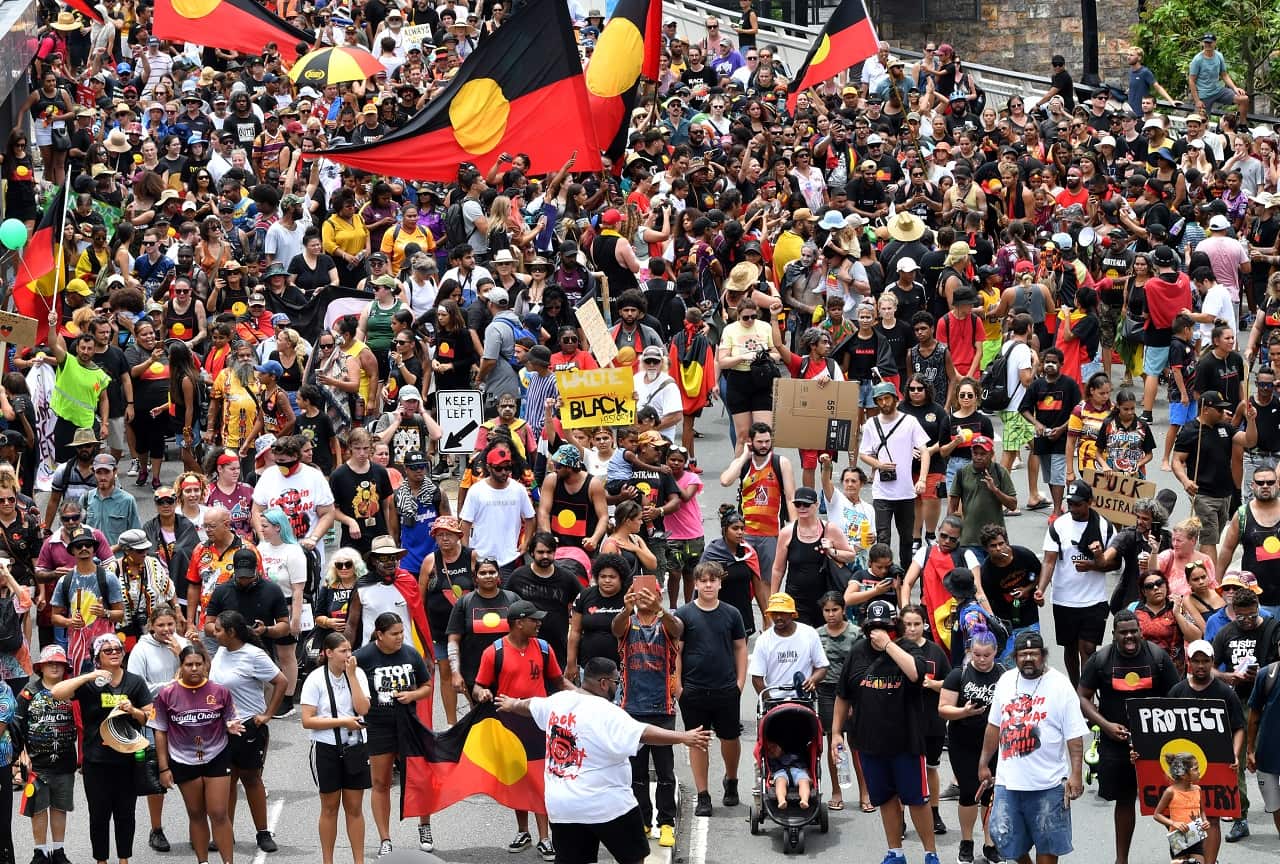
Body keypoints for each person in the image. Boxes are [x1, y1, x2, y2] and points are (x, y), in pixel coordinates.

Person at [495, 656, 710, 864]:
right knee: (634, 858)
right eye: (617, 681)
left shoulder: (558, 701)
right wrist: (683, 737)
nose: (618, 686)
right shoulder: (607, 713)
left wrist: (513, 704)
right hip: (607, 805)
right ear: (604, 683)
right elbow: (643, 733)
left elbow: (531, 706)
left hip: (563, 807)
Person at [831, 599, 941, 864]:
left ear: (896, 627)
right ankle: (896, 852)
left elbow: (916, 674)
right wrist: (836, 733)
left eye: (885, 627)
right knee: (886, 799)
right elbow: (843, 695)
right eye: (873, 627)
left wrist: (889, 645)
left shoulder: (908, 649)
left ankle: (930, 854)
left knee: (916, 800)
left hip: (906, 744)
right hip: (869, 742)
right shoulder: (857, 652)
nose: (878, 632)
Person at [1077, 610, 1181, 864]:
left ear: (1141, 631)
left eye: (1134, 631)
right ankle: (1121, 860)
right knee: (1124, 801)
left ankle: (1183, 855)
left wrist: (1161, 730)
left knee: (1174, 800)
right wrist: (1104, 725)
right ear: (1114, 635)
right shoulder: (1100, 660)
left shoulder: (1158, 658)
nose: (1130, 636)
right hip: (1116, 742)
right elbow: (1081, 697)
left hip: (1157, 744)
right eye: (1123, 632)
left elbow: (1177, 696)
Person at [979, 630, 1088, 864]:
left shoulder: (1060, 685)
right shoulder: (1006, 680)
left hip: (1048, 784)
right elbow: (993, 726)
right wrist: (983, 763)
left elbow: (1074, 736)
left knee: (1048, 845)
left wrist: (1076, 775)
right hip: (1009, 783)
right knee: (1002, 836)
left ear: (1044, 656)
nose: (1028, 659)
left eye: (1034, 654)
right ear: (1015, 657)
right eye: (1023, 654)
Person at [472, 600, 568, 860]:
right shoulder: (494, 652)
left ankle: (545, 838)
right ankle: (522, 831)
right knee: (517, 779)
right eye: (534, 620)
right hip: (509, 726)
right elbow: (478, 685)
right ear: (518, 623)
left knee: (539, 780)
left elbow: (559, 681)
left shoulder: (544, 648)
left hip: (538, 723)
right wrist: (483, 693)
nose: (539, 623)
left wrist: (584, 697)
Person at [49, 633, 153, 864]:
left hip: (127, 759)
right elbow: (56, 693)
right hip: (96, 760)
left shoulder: (135, 681)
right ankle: (101, 861)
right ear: (97, 657)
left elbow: (150, 715)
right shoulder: (89, 685)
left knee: (126, 814)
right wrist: (90, 675)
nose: (114, 652)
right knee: (99, 816)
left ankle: (124, 859)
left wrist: (134, 711)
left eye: (118, 649)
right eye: (108, 650)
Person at [151, 643, 240, 864]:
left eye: (198, 664)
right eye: (188, 664)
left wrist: (231, 725)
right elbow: (160, 732)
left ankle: (228, 861)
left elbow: (231, 717)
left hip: (216, 756)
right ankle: (203, 861)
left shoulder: (220, 692)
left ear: (205, 665)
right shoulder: (166, 694)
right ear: (180, 666)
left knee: (219, 812)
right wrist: (164, 768)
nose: (193, 668)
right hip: (182, 759)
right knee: (196, 813)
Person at [354, 611, 434, 856]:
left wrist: (412, 696)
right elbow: (347, 679)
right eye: (394, 634)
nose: (400, 637)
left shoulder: (410, 654)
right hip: (378, 726)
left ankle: (425, 826)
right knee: (381, 783)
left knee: (420, 779)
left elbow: (427, 685)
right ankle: (385, 839)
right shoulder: (364, 656)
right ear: (380, 634)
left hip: (409, 724)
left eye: (402, 632)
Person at [611, 572, 683, 846]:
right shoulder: (627, 622)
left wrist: (660, 609)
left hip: (663, 708)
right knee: (636, 773)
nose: (644, 597)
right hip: (631, 707)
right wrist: (626, 608)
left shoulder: (666, 622)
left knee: (665, 772)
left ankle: (666, 824)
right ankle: (642, 821)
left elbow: (677, 629)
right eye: (639, 593)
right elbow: (616, 629)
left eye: (650, 593)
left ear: (659, 595)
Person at [209, 609, 287, 854]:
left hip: (248, 726)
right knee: (226, 781)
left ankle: (263, 832)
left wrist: (267, 715)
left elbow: (281, 681)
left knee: (251, 779)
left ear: (232, 632)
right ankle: (225, 832)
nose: (214, 632)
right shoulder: (221, 652)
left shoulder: (254, 655)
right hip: (221, 728)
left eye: (219, 629)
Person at [676, 562, 748, 818]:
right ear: (695, 584)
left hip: (726, 688)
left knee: (730, 738)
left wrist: (740, 683)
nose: (708, 585)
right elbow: (677, 652)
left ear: (720, 583)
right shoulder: (684, 614)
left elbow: (741, 648)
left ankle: (731, 779)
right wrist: (678, 687)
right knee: (698, 742)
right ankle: (703, 794)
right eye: (703, 581)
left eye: (713, 580)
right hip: (693, 691)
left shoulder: (732, 614)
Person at [1212, 586, 1279, 839]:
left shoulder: (1272, 628)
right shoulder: (1226, 633)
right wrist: (1230, 676)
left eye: (1252, 615)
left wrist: (1263, 671)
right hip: (1238, 700)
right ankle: (1240, 817)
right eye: (1242, 617)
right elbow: (1210, 669)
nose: (1248, 622)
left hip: (1269, 700)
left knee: (1271, 759)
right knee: (1235, 761)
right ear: (1233, 614)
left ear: (1258, 607)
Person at [299, 632, 371, 864]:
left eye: (350, 650)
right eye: (343, 651)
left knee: (355, 807)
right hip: (326, 747)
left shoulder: (357, 673)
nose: (348, 655)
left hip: (354, 746)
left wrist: (351, 677)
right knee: (329, 807)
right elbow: (307, 720)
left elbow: (363, 708)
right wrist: (341, 721)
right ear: (328, 653)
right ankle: (327, 860)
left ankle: (358, 861)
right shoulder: (315, 679)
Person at [1037, 479, 1116, 688]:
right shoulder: (1058, 526)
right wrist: (1041, 589)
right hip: (1064, 600)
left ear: (1090, 502)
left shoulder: (1105, 526)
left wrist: (1093, 565)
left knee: (1088, 648)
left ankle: (1086, 691)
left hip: (1094, 599)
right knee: (1070, 648)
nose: (1073, 508)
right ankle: (1074, 687)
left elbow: (1115, 563)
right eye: (1070, 503)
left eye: (1078, 504)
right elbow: (1049, 560)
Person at [938, 623, 1005, 864]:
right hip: (963, 742)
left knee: (990, 792)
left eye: (986, 655)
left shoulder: (1004, 675)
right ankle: (966, 842)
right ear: (970, 651)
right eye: (976, 655)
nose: (982, 659)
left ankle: (990, 843)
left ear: (995, 652)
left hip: (994, 743)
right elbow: (943, 709)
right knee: (968, 793)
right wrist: (964, 712)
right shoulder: (959, 674)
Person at [1174, 639, 1245, 863]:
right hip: (1185, 765)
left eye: (1206, 661)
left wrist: (1234, 754)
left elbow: (1239, 728)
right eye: (1197, 661)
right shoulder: (1177, 691)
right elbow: (1161, 729)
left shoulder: (1225, 693)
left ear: (1213, 662)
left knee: (1212, 817)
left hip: (1216, 764)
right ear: (1189, 663)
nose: (1201, 666)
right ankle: (1190, 859)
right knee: (1185, 814)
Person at [1173, 392, 1257, 557]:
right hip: (1203, 495)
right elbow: (1176, 460)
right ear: (1205, 409)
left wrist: (1252, 420)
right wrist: (1185, 481)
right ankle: (1212, 580)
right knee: (1209, 539)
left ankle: (1195, 567)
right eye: (1219, 409)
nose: (1223, 412)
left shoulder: (1224, 427)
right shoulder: (1190, 431)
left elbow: (1250, 441)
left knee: (1212, 537)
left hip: (1225, 494)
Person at [859, 382, 932, 566]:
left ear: (895, 399)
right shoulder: (871, 424)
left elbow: (924, 450)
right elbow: (863, 453)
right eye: (880, 400)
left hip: (906, 491)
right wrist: (879, 465)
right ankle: (885, 574)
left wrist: (922, 479)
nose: (884, 403)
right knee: (882, 538)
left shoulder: (909, 422)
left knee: (907, 538)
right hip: (882, 492)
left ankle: (906, 575)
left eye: (887, 398)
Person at [15, 645, 76, 864]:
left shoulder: (72, 690)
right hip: (37, 764)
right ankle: (40, 852)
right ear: (41, 667)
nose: (54, 666)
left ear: (64, 667)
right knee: (38, 808)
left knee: (60, 807)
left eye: (59, 662)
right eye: (50, 662)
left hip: (65, 761)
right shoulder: (28, 692)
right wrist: (21, 755)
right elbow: (17, 725)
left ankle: (58, 851)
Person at [719, 423, 795, 582]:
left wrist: (794, 529)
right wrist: (743, 457)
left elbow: (790, 498)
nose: (764, 445)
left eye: (767, 441)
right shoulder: (743, 463)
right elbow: (725, 481)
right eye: (759, 442)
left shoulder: (781, 463)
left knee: (768, 581)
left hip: (772, 534)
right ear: (750, 441)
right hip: (745, 533)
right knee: (744, 580)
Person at [771, 486, 857, 626]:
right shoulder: (787, 533)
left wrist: (832, 551)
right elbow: (778, 569)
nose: (802, 508)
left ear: (816, 505)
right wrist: (773, 598)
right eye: (798, 504)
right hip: (796, 598)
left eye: (806, 504)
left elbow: (851, 555)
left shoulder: (829, 529)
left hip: (825, 600)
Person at [1217, 460, 1280, 613]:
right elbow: (1227, 549)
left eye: (1270, 482)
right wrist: (1217, 582)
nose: (1265, 486)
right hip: (1254, 597)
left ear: (1278, 484)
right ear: (1252, 485)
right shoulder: (1242, 515)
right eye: (1260, 482)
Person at [749, 592, 829, 693]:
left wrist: (812, 680)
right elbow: (756, 678)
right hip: (774, 700)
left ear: (792, 614)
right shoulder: (763, 640)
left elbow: (822, 666)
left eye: (782, 613)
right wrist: (769, 703)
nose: (778, 617)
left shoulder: (809, 633)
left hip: (803, 699)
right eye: (774, 613)